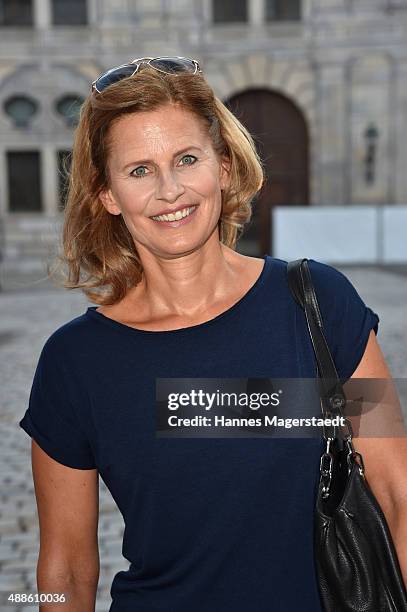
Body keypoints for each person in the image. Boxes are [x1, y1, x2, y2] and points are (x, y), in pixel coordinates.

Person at [18, 56, 407, 612]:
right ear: (107, 195)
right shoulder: (76, 362)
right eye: (139, 170)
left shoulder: (316, 305)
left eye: (186, 158)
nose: (170, 190)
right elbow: (65, 569)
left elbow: (398, 496)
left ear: (223, 168)